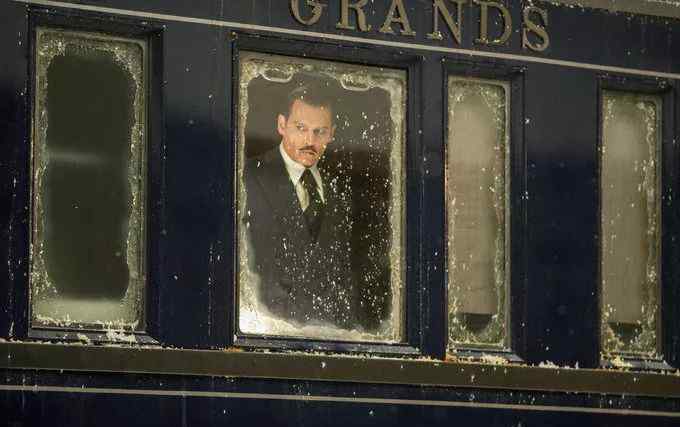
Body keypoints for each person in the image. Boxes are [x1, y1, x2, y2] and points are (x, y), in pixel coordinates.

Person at [243, 78, 356, 329]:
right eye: (301, 127)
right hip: (265, 333)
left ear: (332, 134)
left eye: (320, 131)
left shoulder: (340, 189)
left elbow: (347, 276)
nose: (310, 140)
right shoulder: (248, 177)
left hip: (330, 337)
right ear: (282, 125)